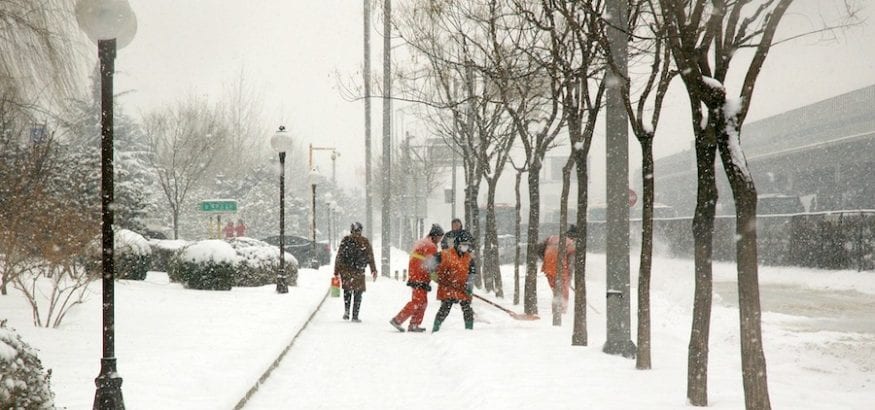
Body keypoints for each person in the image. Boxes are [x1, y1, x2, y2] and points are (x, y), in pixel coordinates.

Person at [389, 224, 444, 333]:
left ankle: (414, 324)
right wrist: (440, 279)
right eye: (439, 237)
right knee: (417, 302)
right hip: (420, 277)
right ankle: (398, 320)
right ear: (435, 235)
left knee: (422, 302)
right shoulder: (430, 246)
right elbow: (431, 266)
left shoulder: (422, 242)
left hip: (416, 275)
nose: (440, 240)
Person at [431, 231, 477, 332]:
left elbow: (472, 273)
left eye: (467, 245)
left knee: (467, 310)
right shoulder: (445, 254)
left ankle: (469, 331)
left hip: (461, 288)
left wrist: (469, 287)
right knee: (445, 309)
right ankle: (435, 329)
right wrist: (434, 275)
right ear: (457, 244)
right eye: (463, 245)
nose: (465, 247)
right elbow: (429, 264)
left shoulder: (469, 258)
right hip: (447, 287)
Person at [333, 222, 378, 322]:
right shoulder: (364, 242)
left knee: (347, 291)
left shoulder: (346, 240)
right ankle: (355, 315)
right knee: (358, 294)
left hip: (346, 271)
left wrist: (336, 271)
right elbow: (370, 257)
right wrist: (373, 270)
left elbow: (339, 256)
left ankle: (347, 311)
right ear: (360, 230)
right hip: (359, 271)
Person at [538, 224, 577, 312]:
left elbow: (539, 249)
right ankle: (560, 312)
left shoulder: (552, 238)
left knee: (556, 291)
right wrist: (569, 279)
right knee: (563, 293)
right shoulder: (571, 245)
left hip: (548, 268)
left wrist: (546, 259)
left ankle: (556, 311)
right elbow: (571, 264)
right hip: (561, 270)